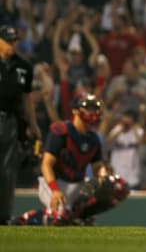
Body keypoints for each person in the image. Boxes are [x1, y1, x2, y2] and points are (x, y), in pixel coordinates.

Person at [10, 93, 129, 225]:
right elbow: (46, 164)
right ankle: (24, 220)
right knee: (59, 218)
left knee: (119, 186)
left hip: (78, 183)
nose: (93, 112)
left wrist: (103, 177)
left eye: (95, 108)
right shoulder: (61, 131)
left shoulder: (93, 138)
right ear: (75, 111)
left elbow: (97, 165)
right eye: (88, 108)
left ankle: (81, 216)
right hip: (55, 181)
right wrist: (55, 190)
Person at [0, 25, 41, 225]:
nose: (12, 44)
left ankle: (4, 216)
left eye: (14, 40)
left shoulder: (24, 66)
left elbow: (26, 98)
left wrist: (32, 124)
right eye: (8, 40)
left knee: (8, 170)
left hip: (10, 121)